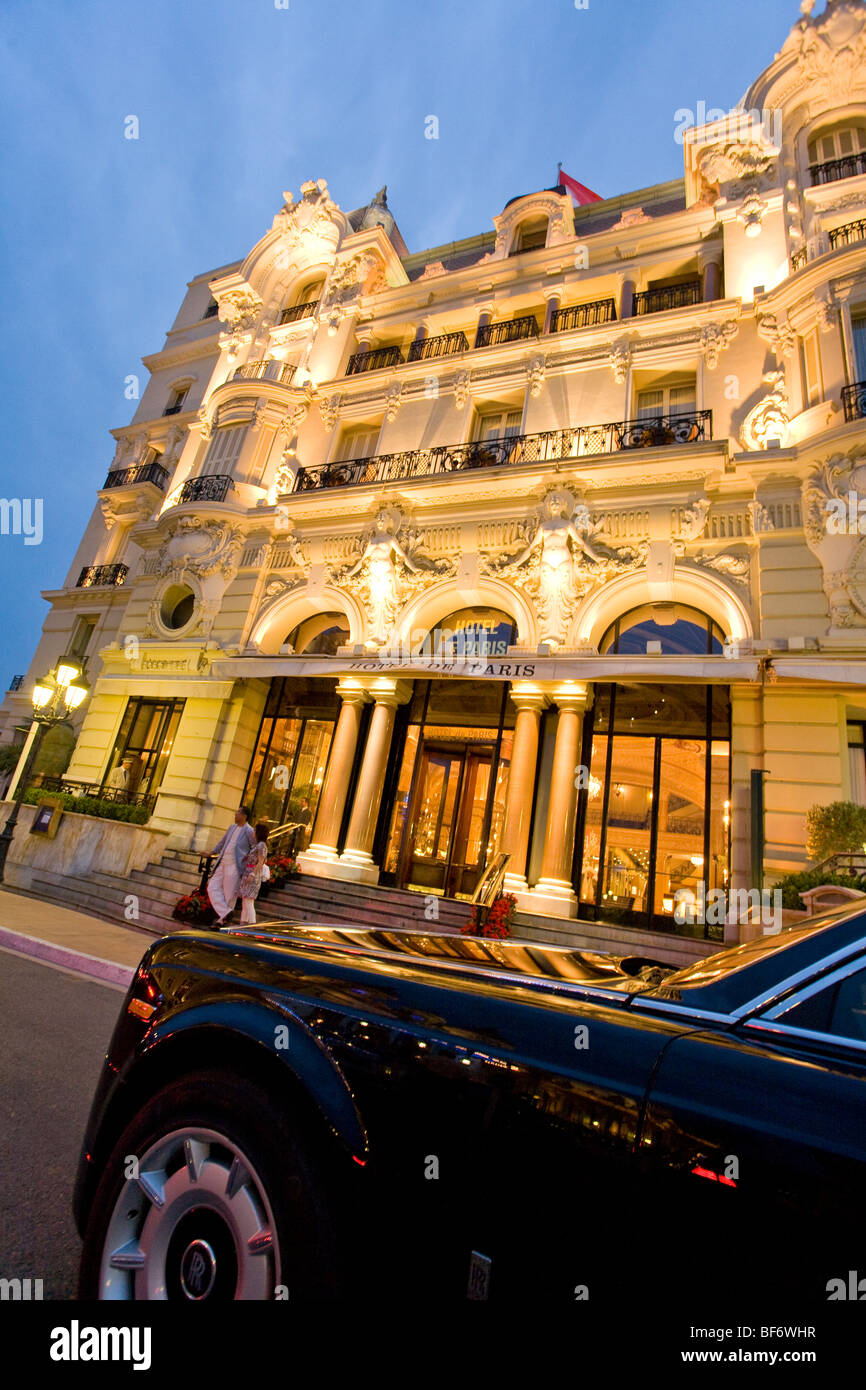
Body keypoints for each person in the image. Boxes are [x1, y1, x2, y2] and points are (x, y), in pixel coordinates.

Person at [206, 806, 256, 927]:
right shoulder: (232, 827)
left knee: (229, 894)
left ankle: (221, 921)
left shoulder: (249, 830)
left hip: (235, 866)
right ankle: (226, 913)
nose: (235, 815)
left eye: (237, 813)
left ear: (244, 816)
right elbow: (222, 842)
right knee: (212, 887)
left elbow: (254, 847)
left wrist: (248, 862)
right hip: (223, 862)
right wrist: (211, 852)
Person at [237, 823, 270, 926]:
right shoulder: (258, 845)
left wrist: (252, 874)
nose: (253, 832)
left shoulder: (261, 845)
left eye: (255, 830)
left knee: (248, 902)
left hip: (252, 874)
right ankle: (243, 924)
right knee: (246, 901)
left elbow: (261, 862)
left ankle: (251, 925)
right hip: (249, 873)